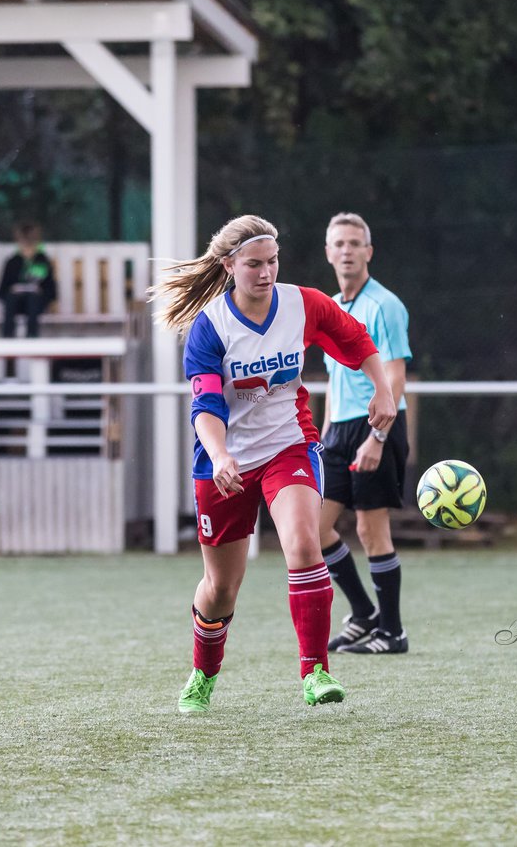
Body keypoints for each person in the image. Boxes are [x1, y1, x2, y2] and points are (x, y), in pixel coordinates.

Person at [153, 214, 397, 714]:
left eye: (273, 262)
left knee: (305, 542)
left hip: (290, 445)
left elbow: (356, 341)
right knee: (221, 588)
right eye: (254, 264)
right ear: (228, 266)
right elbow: (205, 408)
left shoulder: (302, 303)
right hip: (224, 463)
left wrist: (383, 387)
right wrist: (221, 455)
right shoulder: (210, 328)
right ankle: (203, 673)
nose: (266, 273)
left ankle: (315, 672)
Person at [317, 212, 413, 655]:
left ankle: (392, 632)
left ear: (369, 252)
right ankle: (362, 613)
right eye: (339, 243)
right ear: (328, 252)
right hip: (338, 431)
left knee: (371, 531)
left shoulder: (384, 305)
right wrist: (320, 439)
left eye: (355, 243)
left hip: (377, 425)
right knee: (313, 530)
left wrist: (377, 437)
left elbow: (394, 380)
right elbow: (335, 385)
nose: (347, 250)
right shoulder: (331, 307)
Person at [0, 220, 57, 338]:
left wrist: (42, 293)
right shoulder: (12, 262)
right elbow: (1, 291)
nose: (28, 247)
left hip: (36, 303)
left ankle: (32, 337)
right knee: (12, 298)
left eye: (31, 243)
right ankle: (7, 339)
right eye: (24, 244)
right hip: (15, 303)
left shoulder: (43, 261)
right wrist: (12, 291)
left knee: (33, 298)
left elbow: (52, 290)